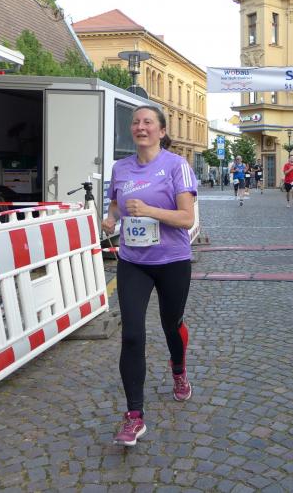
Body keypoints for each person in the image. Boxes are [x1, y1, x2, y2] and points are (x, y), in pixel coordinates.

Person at [102, 105, 198, 446]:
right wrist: (111, 218)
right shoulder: (121, 168)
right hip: (134, 261)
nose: (140, 127)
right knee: (131, 334)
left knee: (171, 324)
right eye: (136, 122)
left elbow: (187, 218)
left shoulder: (176, 166)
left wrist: (150, 211)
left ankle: (178, 370)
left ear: (161, 130)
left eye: (147, 122)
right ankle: (134, 416)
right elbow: (117, 203)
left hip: (172, 260)